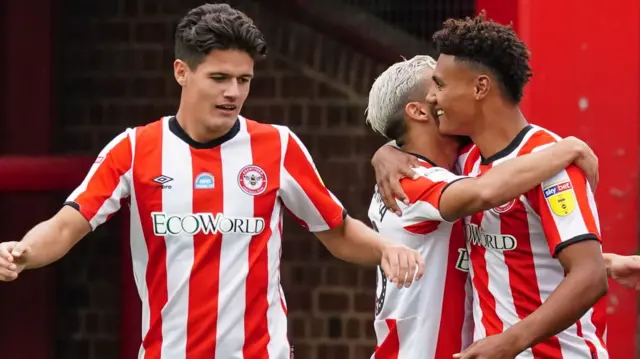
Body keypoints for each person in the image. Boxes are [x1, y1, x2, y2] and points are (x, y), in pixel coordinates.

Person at [0, 4, 424, 359]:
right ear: (181, 72)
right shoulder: (132, 150)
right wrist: (22, 253)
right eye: (219, 78)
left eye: (244, 80)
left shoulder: (277, 146)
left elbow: (336, 230)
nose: (234, 93)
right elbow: (66, 225)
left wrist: (386, 248)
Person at [368, 12, 639, 359]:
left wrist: (510, 341)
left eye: (441, 85)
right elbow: (489, 204)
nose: (433, 98)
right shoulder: (462, 167)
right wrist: (386, 150)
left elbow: (585, 276)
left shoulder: (548, 164)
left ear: (480, 88)